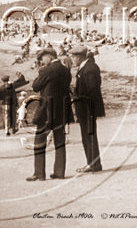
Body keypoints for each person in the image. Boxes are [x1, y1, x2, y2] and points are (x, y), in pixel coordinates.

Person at [26, 48, 72, 181]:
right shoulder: (65, 70)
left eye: (43, 59)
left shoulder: (47, 70)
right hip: (62, 110)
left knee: (40, 140)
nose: (42, 62)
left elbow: (35, 86)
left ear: (50, 58)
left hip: (47, 111)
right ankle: (59, 172)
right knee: (60, 142)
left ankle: (39, 173)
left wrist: (40, 72)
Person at [69, 45, 105, 173]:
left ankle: (93, 164)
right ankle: (93, 163)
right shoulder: (88, 66)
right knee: (89, 136)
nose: (72, 60)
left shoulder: (88, 68)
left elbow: (92, 90)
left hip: (87, 109)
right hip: (87, 109)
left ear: (79, 57)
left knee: (88, 137)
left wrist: (87, 107)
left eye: (73, 57)